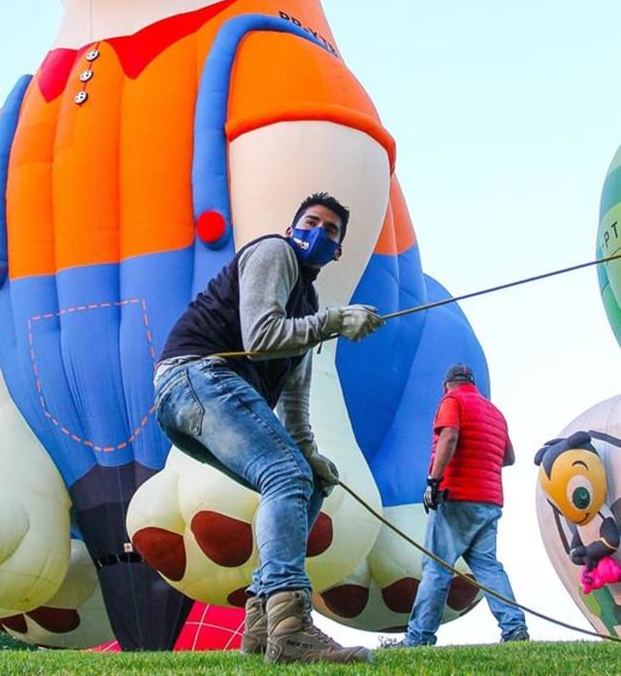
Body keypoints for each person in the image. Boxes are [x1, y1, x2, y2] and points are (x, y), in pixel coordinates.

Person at [154, 192, 382, 664]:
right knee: (286, 476)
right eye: (311, 221)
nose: (319, 232)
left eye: (332, 230)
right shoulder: (273, 253)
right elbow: (260, 337)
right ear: (291, 228)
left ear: (337, 250)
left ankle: (262, 622)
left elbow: (294, 405)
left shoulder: (307, 303)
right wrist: (337, 321)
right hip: (198, 375)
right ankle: (291, 623)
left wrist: (314, 457)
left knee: (303, 476)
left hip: (193, 398)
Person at [389, 362, 529, 647]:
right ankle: (515, 629)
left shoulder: (452, 401)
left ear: (446, 385)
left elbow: (449, 436)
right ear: (473, 383)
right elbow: (509, 457)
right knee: (489, 568)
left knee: (436, 567)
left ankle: (418, 638)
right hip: (489, 501)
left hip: (456, 498)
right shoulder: (494, 413)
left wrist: (433, 481)